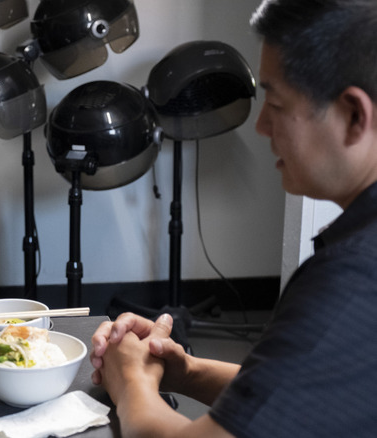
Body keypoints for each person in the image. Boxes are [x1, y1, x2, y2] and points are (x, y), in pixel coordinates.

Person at [90, 0, 377, 436]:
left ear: (354, 116)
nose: (261, 126)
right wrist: (183, 370)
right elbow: (286, 391)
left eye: (276, 104)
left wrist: (129, 379)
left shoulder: (354, 279)